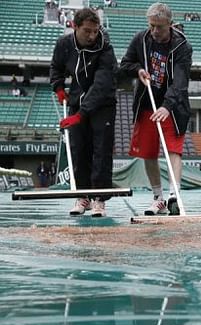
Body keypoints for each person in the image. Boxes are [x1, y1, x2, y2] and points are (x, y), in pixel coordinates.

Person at [120, 2, 192, 216]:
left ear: (169, 24)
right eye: (151, 25)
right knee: (149, 153)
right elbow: (125, 64)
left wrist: (167, 106)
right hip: (146, 103)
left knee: (173, 151)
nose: (154, 31)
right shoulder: (141, 39)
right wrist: (139, 69)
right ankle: (158, 198)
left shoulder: (182, 46)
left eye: (159, 26)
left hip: (173, 106)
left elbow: (180, 82)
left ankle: (174, 195)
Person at [50, 7, 118, 217]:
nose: (92, 36)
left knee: (101, 150)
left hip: (102, 104)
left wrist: (81, 113)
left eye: (95, 31)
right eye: (87, 31)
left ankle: (99, 199)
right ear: (75, 26)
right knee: (79, 150)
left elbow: (101, 84)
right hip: (76, 102)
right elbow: (56, 67)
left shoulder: (105, 47)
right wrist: (59, 87)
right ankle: (83, 197)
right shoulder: (64, 44)